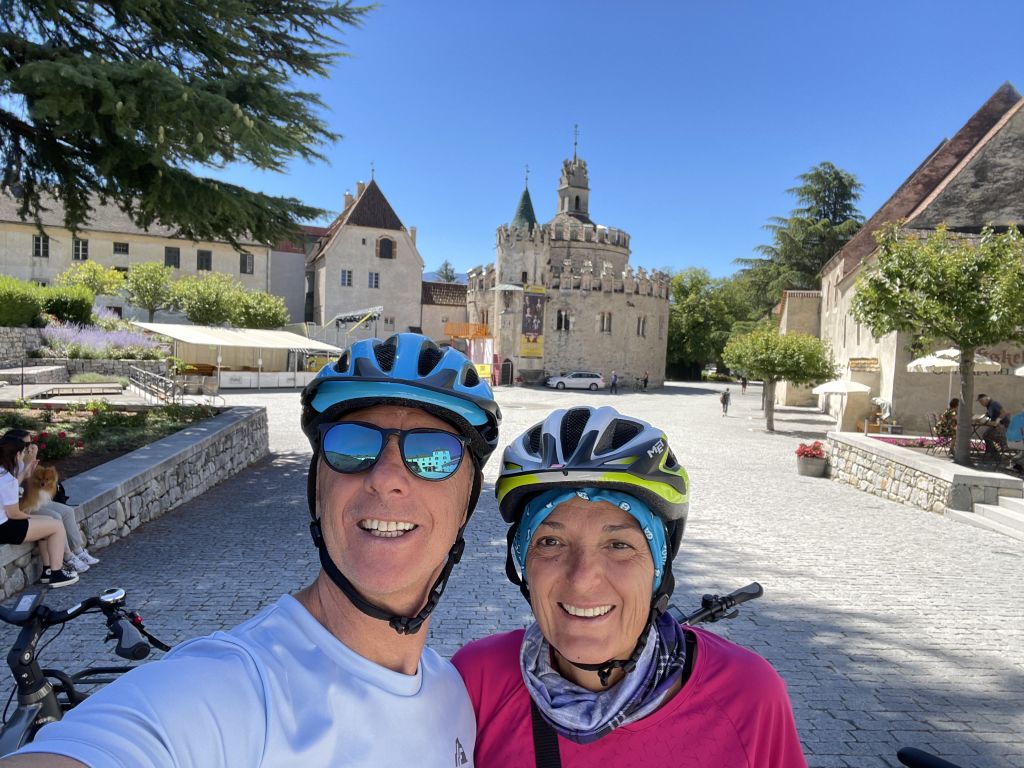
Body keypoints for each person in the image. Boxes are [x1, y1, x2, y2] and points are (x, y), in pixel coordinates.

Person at [6, 333, 501, 767]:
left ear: (465, 506)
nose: (387, 478)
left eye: (434, 455)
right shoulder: (230, 689)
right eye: (353, 445)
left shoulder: (450, 695)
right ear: (318, 491)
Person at [453, 406, 806, 765]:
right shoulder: (478, 682)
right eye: (550, 542)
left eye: (619, 545)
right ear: (522, 563)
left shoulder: (747, 695)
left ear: (659, 566)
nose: (583, 578)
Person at [1, 429, 99, 573]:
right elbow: (14, 510)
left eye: (30, 444)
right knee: (55, 522)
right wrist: (33, 518)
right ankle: (61, 565)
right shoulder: (6, 473)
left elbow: (18, 484)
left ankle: (75, 553)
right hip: (13, 515)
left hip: (12, 512)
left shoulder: (11, 467)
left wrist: (29, 463)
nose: (28, 448)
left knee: (65, 512)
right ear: (15, 449)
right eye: (25, 445)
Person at [0, 437, 77, 588]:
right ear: (16, 455)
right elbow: (14, 514)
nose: (24, 455)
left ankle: (47, 571)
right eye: (23, 453)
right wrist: (30, 518)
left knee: (46, 522)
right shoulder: (6, 479)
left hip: (4, 523)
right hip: (5, 528)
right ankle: (57, 573)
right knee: (55, 526)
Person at [976, 393, 1010, 459]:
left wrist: (997, 421)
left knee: (987, 435)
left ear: (986, 399)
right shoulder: (988, 406)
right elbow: (987, 415)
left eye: (981, 401)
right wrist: (980, 418)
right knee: (986, 435)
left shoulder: (994, 404)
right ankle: (993, 452)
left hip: (1003, 426)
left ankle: (992, 452)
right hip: (996, 426)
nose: (981, 403)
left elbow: (1003, 412)